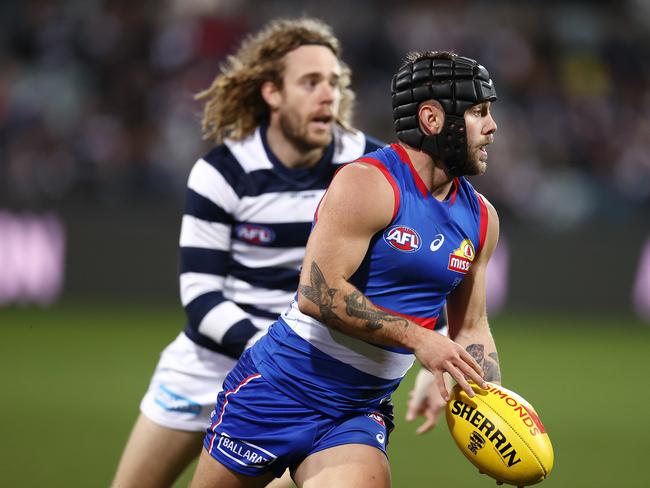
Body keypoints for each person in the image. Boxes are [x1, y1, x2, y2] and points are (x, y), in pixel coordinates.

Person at [190, 50, 502, 488]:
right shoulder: (369, 184)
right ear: (432, 119)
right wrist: (420, 340)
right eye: (478, 112)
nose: (492, 127)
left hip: (357, 410)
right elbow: (318, 294)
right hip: (279, 389)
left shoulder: (483, 218)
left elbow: (472, 326)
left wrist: (485, 405)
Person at [111, 17, 383, 488]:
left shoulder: (369, 170)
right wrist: (270, 352)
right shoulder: (223, 171)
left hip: (296, 380)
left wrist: (436, 337)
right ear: (271, 92)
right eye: (311, 82)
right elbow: (200, 297)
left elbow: (414, 263)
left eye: (335, 83)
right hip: (212, 359)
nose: (328, 95)